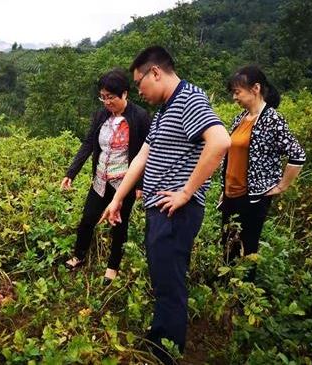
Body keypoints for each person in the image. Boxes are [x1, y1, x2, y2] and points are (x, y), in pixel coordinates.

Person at [100, 46, 231, 363]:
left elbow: (221, 141)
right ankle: (160, 338)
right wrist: (118, 198)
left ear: (155, 72)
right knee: (163, 277)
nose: (139, 92)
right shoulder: (164, 110)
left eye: (139, 83)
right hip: (160, 210)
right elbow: (143, 157)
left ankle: (164, 354)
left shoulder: (189, 99)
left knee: (169, 283)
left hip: (176, 211)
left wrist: (186, 192)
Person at [62, 68, 151, 284]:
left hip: (124, 183)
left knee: (119, 225)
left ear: (125, 94)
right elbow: (89, 144)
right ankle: (79, 255)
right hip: (101, 179)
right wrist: (71, 173)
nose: (106, 102)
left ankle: (112, 267)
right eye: (103, 97)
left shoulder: (139, 117)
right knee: (87, 220)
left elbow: (145, 152)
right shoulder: (101, 115)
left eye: (111, 97)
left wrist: (140, 183)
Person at [220, 66, 306, 281]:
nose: (234, 97)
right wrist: (224, 188)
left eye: (238, 92)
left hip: (253, 197)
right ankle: (227, 288)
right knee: (228, 243)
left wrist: (281, 186)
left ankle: (246, 294)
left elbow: (297, 155)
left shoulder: (272, 119)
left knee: (248, 246)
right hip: (231, 193)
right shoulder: (240, 118)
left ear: (255, 88)